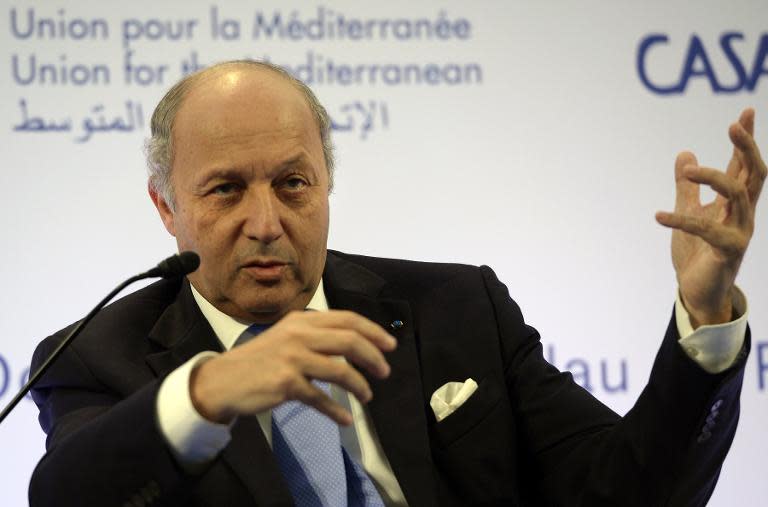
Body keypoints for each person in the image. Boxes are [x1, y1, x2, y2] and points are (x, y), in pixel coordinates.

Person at [28, 60, 765, 506]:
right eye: (224, 190)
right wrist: (209, 390)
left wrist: (704, 317)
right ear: (167, 207)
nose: (265, 221)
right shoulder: (98, 358)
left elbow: (629, 490)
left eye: (293, 183)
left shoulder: (456, 309)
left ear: (327, 186)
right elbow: (68, 495)